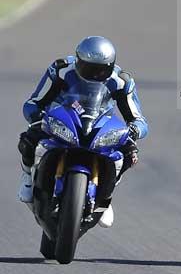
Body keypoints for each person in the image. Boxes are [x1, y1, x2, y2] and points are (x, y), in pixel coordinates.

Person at [17, 36, 148, 228]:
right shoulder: (61, 70)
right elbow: (34, 102)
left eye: (101, 70)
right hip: (63, 119)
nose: (95, 75)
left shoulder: (121, 82)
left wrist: (135, 130)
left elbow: (138, 119)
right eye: (89, 68)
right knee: (29, 138)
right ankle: (27, 176)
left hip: (98, 125)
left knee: (129, 153)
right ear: (78, 60)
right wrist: (37, 117)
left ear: (111, 66)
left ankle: (106, 196)